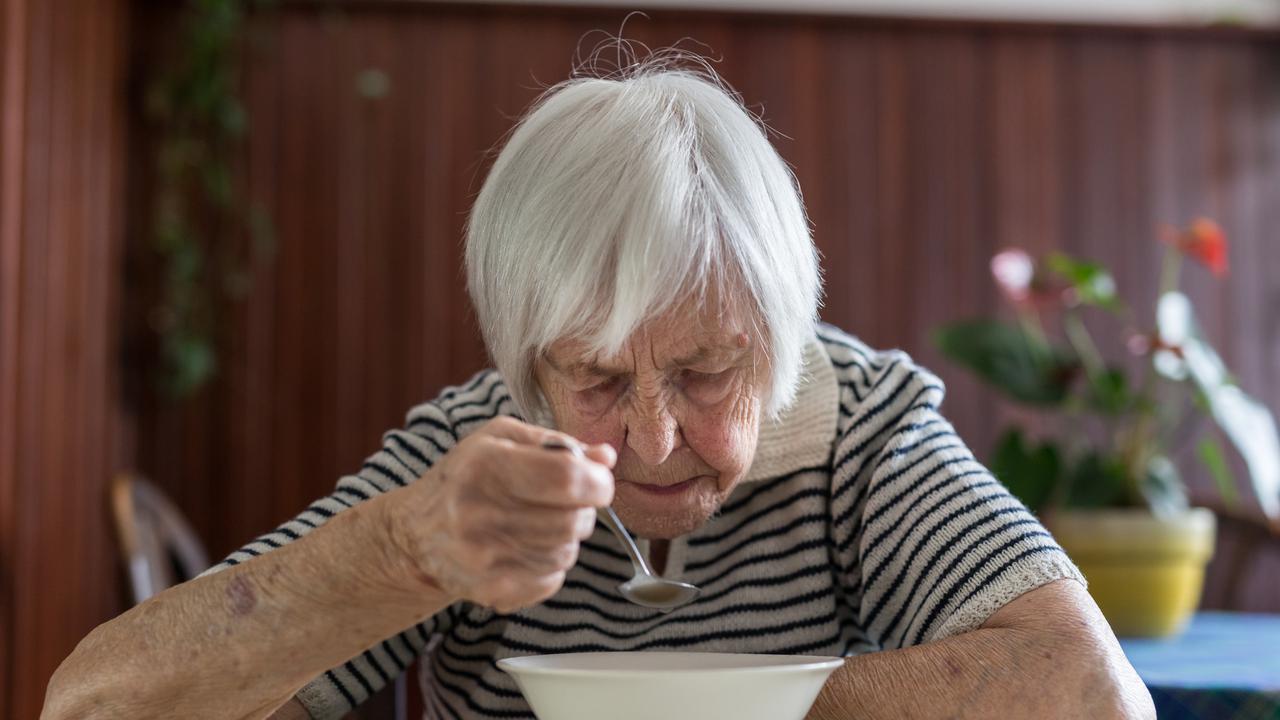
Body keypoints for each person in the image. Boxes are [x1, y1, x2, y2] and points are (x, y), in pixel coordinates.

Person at [43, 48, 1153, 720]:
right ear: (527, 362)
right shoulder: (474, 458)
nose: (657, 440)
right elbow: (92, 706)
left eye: (708, 371)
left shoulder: (858, 425)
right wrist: (404, 552)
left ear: (780, 336)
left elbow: (1088, 695)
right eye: (597, 379)